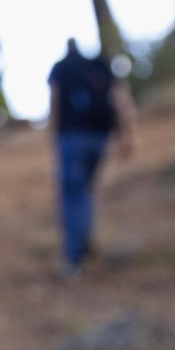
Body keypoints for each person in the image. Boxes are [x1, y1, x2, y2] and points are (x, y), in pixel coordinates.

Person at [47, 38, 135, 277]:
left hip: (72, 138)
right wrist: (124, 135)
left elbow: (54, 101)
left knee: (73, 194)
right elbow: (120, 98)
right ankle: (86, 242)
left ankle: (75, 257)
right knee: (84, 191)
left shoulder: (60, 67)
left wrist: (54, 135)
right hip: (99, 137)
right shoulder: (98, 64)